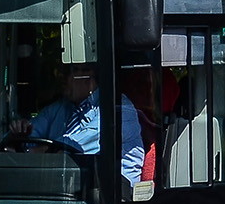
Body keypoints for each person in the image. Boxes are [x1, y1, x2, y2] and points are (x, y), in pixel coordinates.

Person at [11, 62, 145, 188]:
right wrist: (18, 135)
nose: (62, 77)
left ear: (90, 77)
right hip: (69, 189)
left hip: (113, 196)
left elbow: (69, 148)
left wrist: (26, 154)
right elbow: (31, 133)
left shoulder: (118, 109)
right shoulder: (61, 107)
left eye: (70, 71)